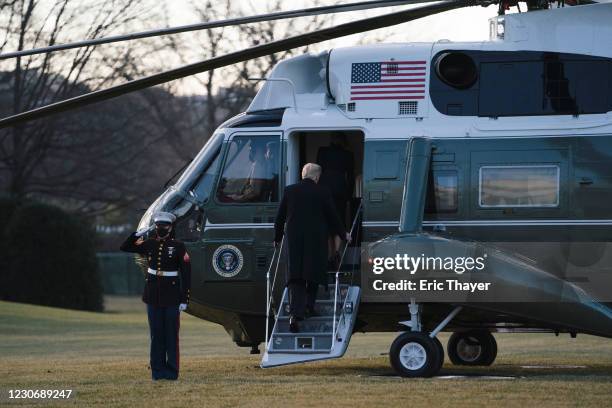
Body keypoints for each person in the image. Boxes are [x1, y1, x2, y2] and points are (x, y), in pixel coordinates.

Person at [274, 163, 351, 333]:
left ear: (303, 174)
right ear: (317, 177)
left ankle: (295, 314)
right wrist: (343, 233)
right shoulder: (323, 191)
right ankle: (309, 306)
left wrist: (277, 238)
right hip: (316, 240)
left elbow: (279, 218)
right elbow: (333, 216)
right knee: (314, 273)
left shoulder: (289, 190)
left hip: (294, 240)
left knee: (296, 276)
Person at [120, 212, 191, 381]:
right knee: (156, 335)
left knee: (171, 336)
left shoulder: (179, 246)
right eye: (158, 226)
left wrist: (184, 299)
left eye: (164, 226)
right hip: (152, 296)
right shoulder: (149, 244)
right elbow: (125, 247)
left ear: (170, 227)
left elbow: (186, 275)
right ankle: (157, 373)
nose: (161, 229)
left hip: (172, 297)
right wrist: (136, 234)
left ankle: (171, 372)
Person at [316, 134, 354, 267]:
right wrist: (349, 195)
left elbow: (318, 169)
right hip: (340, 189)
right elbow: (351, 176)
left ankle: (329, 254)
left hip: (324, 188)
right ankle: (337, 252)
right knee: (339, 220)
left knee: (326, 221)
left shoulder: (322, 151)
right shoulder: (348, 155)